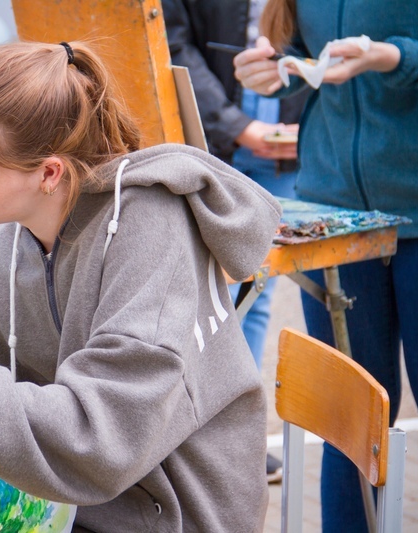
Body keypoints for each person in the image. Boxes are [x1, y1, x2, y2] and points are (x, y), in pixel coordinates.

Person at [0, 40, 281, 531]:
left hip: (179, 515)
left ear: (49, 172)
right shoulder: (1, 246)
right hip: (70, 507)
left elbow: (105, 434)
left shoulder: (149, 230)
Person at [234, 2, 418, 531]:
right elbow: (310, 56)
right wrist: (278, 72)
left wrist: (395, 57)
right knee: (347, 431)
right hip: (335, 215)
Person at [162, 0, 310, 484]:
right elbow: (173, 43)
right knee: (200, 294)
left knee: (255, 293)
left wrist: (304, 128)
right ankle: (191, 435)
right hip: (210, 141)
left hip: (285, 146)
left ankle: (235, 436)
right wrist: (237, 126)